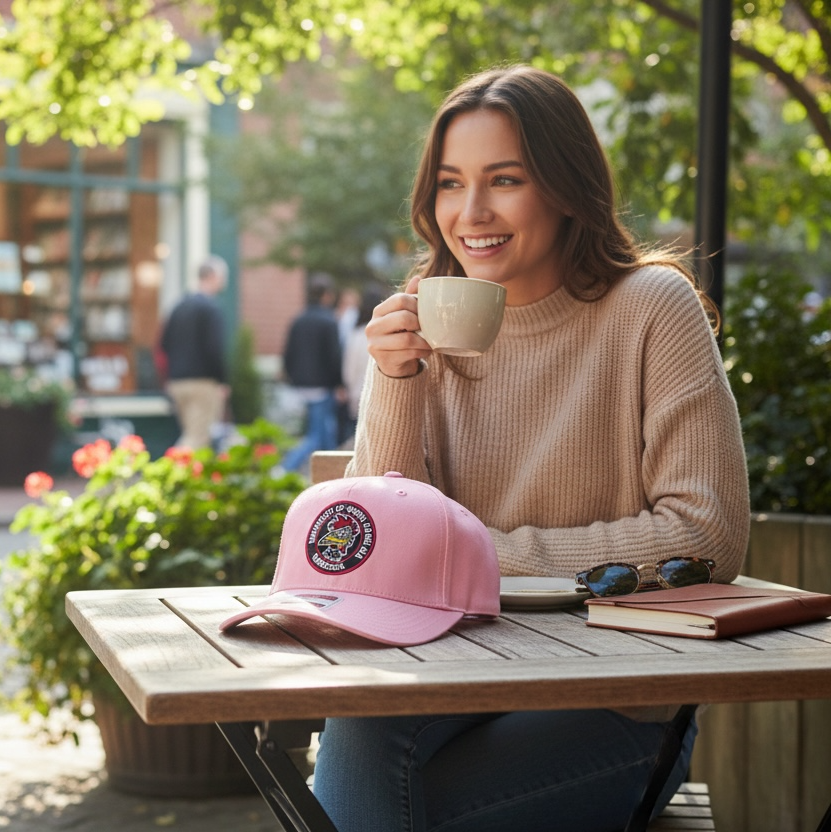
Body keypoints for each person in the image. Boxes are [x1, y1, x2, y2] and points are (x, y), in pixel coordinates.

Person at [317, 65, 751, 831]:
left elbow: (705, 537)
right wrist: (397, 377)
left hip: (616, 697)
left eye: (505, 179)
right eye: (450, 183)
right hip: (449, 678)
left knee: (385, 811)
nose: (471, 211)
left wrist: (482, 555)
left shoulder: (651, 308)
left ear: (563, 186)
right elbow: (384, 555)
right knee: (357, 741)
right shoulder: (428, 324)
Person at [160, 255, 229, 450]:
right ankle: (165, 476)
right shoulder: (211, 308)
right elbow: (215, 349)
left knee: (190, 435)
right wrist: (222, 381)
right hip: (203, 383)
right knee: (197, 439)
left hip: (177, 382)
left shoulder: (178, 307)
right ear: (212, 276)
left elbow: (164, 344)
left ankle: (181, 478)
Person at [280, 272, 344, 472]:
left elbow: (288, 353)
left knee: (323, 435)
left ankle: (330, 476)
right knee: (317, 436)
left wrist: (291, 377)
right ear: (326, 295)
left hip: (300, 386)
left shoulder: (298, 320)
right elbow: (335, 357)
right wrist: (339, 384)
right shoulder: (329, 321)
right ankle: (286, 467)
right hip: (322, 387)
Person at [339, 283, 385, 447]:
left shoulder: (356, 335)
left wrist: (350, 388)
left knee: (356, 443)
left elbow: (348, 371)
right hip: (382, 396)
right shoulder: (387, 334)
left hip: (358, 395)